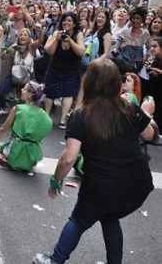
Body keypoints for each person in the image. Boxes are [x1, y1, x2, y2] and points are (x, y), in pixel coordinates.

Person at [33, 58, 157, 264]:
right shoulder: (128, 107)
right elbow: (149, 134)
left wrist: (55, 181)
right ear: (115, 84)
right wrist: (145, 112)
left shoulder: (81, 115)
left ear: (89, 83)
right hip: (136, 184)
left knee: (79, 220)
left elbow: (69, 157)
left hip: (101, 187)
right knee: (109, 217)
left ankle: (55, 260)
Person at [0, 81, 52, 171]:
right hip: (32, 153)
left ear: (30, 95)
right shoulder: (44, 115)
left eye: (24, 89)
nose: (21, 90)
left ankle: (6, 160)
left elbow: (4, 128)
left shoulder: (18, 108)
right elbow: (48, 126)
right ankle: (23, 162)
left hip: (15, 149)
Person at [44, 12, 85, 128]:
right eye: (64, 20)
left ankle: (62, 119)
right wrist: (57, 40)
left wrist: (70, 40)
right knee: (49, 92)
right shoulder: (57, 33)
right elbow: (49, 51)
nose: (66, 23)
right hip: (55, 67)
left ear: (74, 23)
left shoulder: (78, 34)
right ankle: (46, 116)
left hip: (71, 70)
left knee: (68, 93)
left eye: (69, 21)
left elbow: (81, 52)